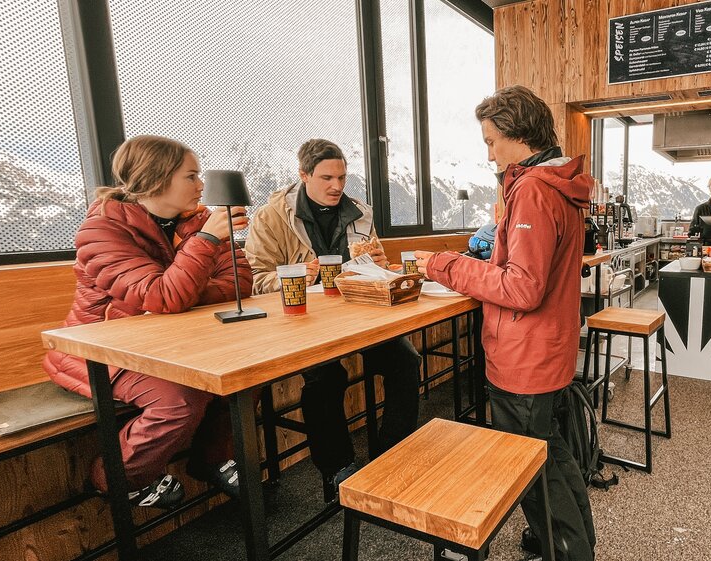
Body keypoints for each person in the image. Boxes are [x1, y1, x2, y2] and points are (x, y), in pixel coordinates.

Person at [415, 85, 596, 561]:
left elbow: (522, 288)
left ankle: (567, 550)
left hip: (524, 355)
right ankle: (570, 543)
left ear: (520, 136)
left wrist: (444, 265)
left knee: (533, 462)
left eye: (492, 141)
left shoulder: (534, 190)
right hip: (548, 347)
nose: (489, 151)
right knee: (551, 451)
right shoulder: (557, 183)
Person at [43, 135, 251, 508]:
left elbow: (240, 283)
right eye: (191, 176)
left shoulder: (197, 221)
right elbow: (163, 296)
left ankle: (214, 459)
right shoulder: (101, 230)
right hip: (102, 350)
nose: (201, 185)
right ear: (156, 178)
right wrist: (202, 247)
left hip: (173, 342)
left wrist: (182, 291)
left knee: (246, 372)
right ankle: (115, 479)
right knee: (180, 401)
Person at [243, 138, 420, 502]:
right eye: (326, 178)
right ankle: (337, 468)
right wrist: (293, 276)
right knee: (326, 377)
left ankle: (393, 451)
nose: (337, 186)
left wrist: (378, 265)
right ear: (303, 175)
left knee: (406, 361)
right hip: (303, 323)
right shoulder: (272, 217)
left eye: (342, 177)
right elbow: (253, 279)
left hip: (359, 315)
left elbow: (372, 265)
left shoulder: (360, 212)